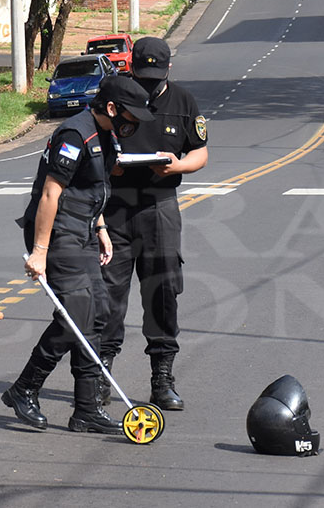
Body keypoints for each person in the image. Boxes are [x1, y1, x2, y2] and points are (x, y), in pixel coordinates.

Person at [2, 76, 154, 433]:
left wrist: (100, 229)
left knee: (97, 314)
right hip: (57, 234)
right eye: (130, 117)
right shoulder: (74, 135)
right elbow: (51, 193)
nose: (132, 125)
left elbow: (92, 186)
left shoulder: (106, 134)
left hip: (83, 230)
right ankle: (24, 388)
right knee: (76, 316)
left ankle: (86, 410)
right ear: (112, 109)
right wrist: (39, 252)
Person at [98, 37, 209, 411]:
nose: (147, 84)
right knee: (109, 296)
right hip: (115, 208)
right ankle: (101, 374)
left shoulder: (183, 102)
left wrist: (178, 166)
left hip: (159, 206)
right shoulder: (114, 97)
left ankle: (162, 379)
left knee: (162, 292)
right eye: (141, 75)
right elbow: (93, 142)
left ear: (168, 70)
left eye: (154, 77)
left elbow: (200, 151)